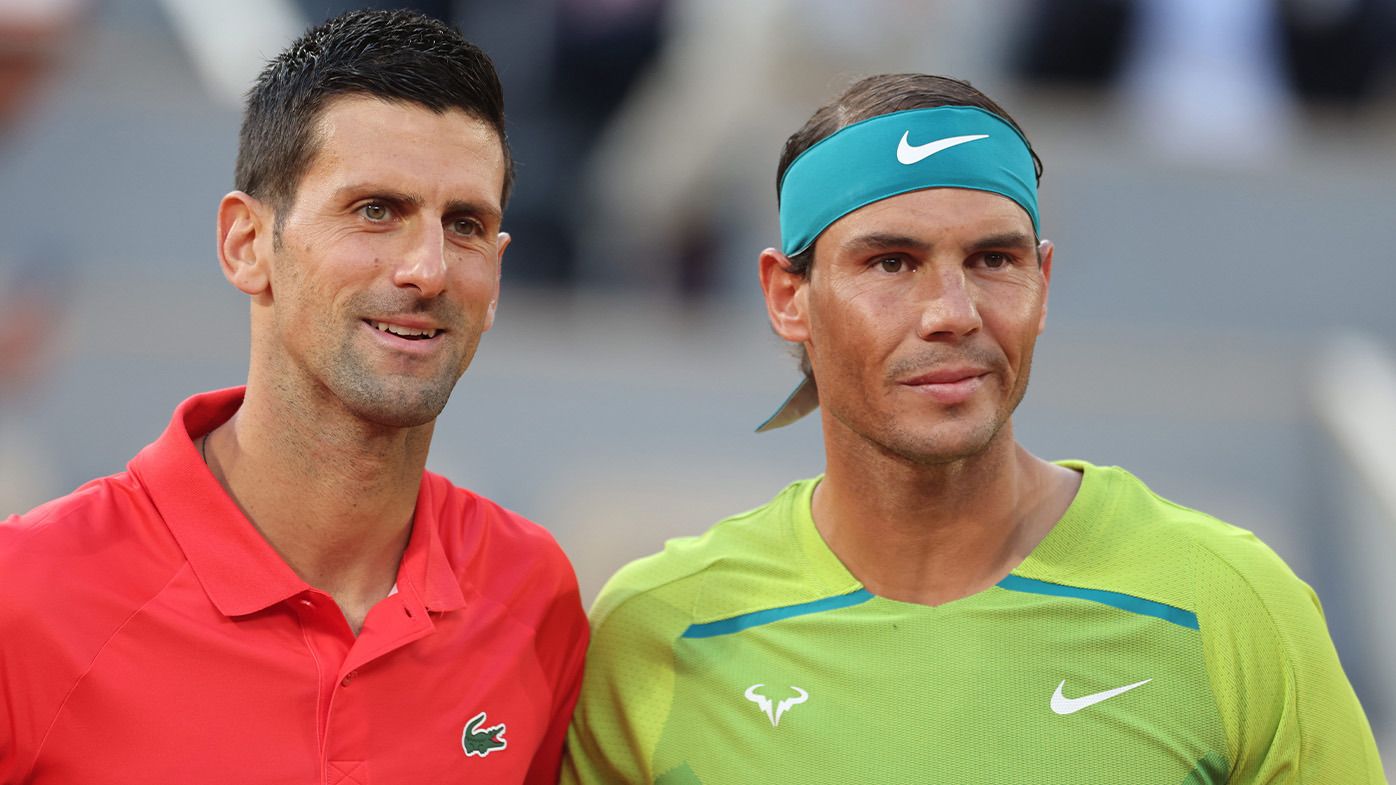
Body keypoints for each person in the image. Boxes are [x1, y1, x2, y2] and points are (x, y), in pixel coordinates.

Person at [562, 74, 1387, 783]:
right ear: (788, 297)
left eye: (995, 259)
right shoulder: (657, 631)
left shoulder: (1230, 602)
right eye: (891, 263)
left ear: (1044, 279)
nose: (952, 314)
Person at [0, 10, 587, 784]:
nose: (428, 269)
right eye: (376, 210)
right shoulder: (27, 598)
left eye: (466, 224)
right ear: (247, 244)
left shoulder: (531, 593)